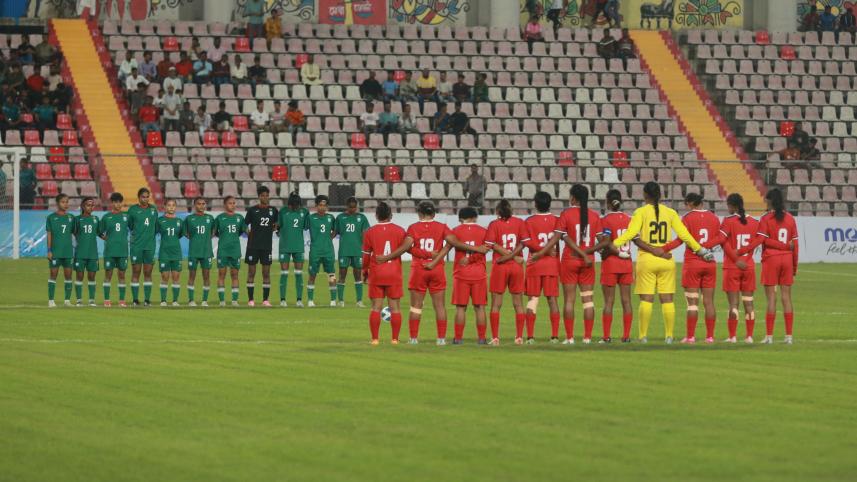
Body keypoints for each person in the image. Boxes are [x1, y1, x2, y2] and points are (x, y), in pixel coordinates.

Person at [609, 182, 713, 343]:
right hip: (666, 259)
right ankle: (669, 336)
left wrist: (614, 244)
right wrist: (701, 250)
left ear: (645, 195)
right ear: (660, 195)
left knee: (646, 299)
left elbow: (631, 233)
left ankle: (643, 336)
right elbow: (685, 235)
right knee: (667, 299)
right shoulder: (670, 212)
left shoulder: (640, 212)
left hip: (647, 260)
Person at [379, 201, 487, 344]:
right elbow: (454, 242)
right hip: (437, 270)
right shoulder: (442, 227)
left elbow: (406, 247)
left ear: (419, 214)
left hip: (419, 270)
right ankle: (441, 339)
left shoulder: (413, 228)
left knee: (416, 306)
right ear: (434, 214)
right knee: (440, 306)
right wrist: (477, 249)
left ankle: (413, 339)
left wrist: (387, 257)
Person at [535, 184, 601, 344]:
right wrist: (587, 253)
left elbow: (558, 237)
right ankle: (587, 337)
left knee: (569, 300)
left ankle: (570, 337)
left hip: (570, 260)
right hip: (588, 262)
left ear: (573, 198)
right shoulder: (594, 216)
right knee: (588, 300)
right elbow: (604, 241)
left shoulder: (566, 214)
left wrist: (541, 252)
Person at [736, 189, 799, 344]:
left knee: (771, 298)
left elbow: (760, 241)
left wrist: (742, 251)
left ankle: (769, 336)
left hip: (771, 259)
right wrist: (794, 266)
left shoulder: (766, 218)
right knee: (786, 297)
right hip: (787, 260)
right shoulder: (790, 218)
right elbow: (795, 245)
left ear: (770, 201)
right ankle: (789, 337)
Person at [660, 193, 721, 344]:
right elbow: (720, 238)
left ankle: (691, 337)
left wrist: (664, 248)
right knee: (709, 302)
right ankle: (710, 337)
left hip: (693, 263)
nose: (685, 207)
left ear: (691, 203)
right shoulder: (714, 218)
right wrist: (706, 248)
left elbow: (681, 239)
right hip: (709, 263)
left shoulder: (687, 218)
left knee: (692, 303)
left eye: (686, 204)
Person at [712, 194, 764, 343]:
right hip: (748, 267)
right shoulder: (754, 222)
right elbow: (759, 241)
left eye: (728, 206)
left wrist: (735, 258)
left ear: (732, 206)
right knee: (749, 302)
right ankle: (749, 336)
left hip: (732, 267)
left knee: (733, 304)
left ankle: (732, 336)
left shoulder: (728, 221)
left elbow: (722, 242)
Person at [592, 189, 634, 343]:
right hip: (626, 263)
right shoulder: (629, 219)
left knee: (609, 301)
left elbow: (606, 242)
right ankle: (626, 336)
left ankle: (606, 337)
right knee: (626, 301)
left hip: (611, 263)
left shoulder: (606, 220)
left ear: (608, 202)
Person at [361, 202, 407, 345]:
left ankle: (375, 339)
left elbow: (366, 256)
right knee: (395, 308)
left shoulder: (370, 232)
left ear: (376, 216)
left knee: (376, 307)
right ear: (391, 215)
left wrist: (364, 271)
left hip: (377, 273)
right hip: (393, 273)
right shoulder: (400, 230)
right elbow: (407, 248)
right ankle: (394, 339)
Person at [485, 199, 528, 345]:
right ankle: (519, 337)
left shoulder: (494, 224)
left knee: (496, 303)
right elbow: (523, 243)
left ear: (497, 211)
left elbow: (491, 244)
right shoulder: (519, 223)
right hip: (516, 266)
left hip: (500, 266)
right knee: (518, 303)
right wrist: (513, 256)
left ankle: (495, 337)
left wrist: (506, 256)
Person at [521, 191, 561, 344]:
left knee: (533, 300)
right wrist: (549, 251)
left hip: (535, 264)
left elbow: (526, 242)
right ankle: (555, 336)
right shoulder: (557, 220)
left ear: (535, 204)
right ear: (549, 204)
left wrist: (539, 251)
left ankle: (530, 337)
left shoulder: (529, 221)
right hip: (551, 265)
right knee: (552, 300)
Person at [448, 207, 490, 344]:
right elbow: (485, 249)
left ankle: (458, 339)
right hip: (479, 273)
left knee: (461, 308)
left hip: (461, 273)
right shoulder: (484, 231)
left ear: (461, 218)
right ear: (475, 217)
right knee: (480, 307)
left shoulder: (455, 231)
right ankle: (482, 338)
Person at [245, 186, 278, 307]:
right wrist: (249, 233)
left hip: (266, 246)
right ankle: (251, 300)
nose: (265, 197)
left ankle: (265, 300)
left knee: (266, 273)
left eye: (267, 195)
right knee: (251, 272)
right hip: (253, 246)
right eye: (263, 195)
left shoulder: (273, 210)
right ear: (259, 197)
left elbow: (276, 224)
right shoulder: (252, 210)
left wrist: (274, 228)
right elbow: (245, 224)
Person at [334, 197, 370, 307]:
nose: (353, 209)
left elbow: (366, 234)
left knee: (358, 275)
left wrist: (366, 249)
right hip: (344, 251)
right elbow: (335, 232)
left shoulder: (362, 218)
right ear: (346, 206)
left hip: (357, 251)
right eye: (350, 207)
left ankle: (359, 301)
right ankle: (340, 301)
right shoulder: (340, 217)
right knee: (342, 275)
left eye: (354, 207)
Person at [127, 187, 158, 306]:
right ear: (139, 198)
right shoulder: (133, 210)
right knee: (136, 271)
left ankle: (147, 300)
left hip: (149, 246)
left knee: (148, 272)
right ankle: (135, 300)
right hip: (137, 246)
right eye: (143, 197)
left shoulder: (153, 210)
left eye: (147, 196)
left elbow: (155, 227)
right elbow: (130, 225)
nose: (145, 199)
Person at [277, 192, 309, 307]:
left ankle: (299, 300)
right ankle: (282, 300)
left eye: (298, 205)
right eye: (294, 205)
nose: (296, 207)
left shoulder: (304, 212)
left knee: (298, 274)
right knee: (284, 273)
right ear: (289, 204)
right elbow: (277, 226)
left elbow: (307, 226)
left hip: (298, 247)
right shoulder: (283, 212)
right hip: (284, 246)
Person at [305, 195, 337, 307]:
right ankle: (310, 300)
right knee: (312, 275)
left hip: (328, 251)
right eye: (320, 205)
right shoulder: (310, 218)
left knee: (331, 275)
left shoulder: (331, 218)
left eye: (324, 205)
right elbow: (303, 228)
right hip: (315, 251)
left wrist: (329, 238)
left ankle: (333, 301)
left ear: (327, 206)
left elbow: (335, 231)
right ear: (316, 206)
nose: (322, 207)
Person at [99, 192, 131, 307]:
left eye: (119, 202)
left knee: (122, 275)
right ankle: (107, 300)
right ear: (112, 203)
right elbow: (99, 232)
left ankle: (122, 301)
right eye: (115, 202)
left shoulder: (126, 216)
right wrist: (107, 239)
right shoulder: (106, 217)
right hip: (110, 251)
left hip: (122, 251)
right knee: (108, 275)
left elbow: (133, 229)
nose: (118, 204)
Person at [214, 196, 246, 307]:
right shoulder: (219, 218)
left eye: (234, 203)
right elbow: (215, 232)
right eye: (230, 203)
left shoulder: (240, 218)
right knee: (221, 274)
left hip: (235, 250)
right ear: (225, 205)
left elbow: (243, 231)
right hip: (223, 250)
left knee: (235, 275)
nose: (233, 205)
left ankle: (234, 301)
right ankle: (222, 301)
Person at [46, 193, 75, 307]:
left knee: (68, 275)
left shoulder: (71, 218)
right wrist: (49, 250)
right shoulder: (51, 218)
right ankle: (51, 300)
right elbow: (49, 234)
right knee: (53, 274)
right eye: (63, 202)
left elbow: (76, 233)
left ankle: (67, 301)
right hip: (55, 251)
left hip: (68, 252)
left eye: (67, 202)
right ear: (58, 203)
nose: (66, 204)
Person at [184, 197, 215, 306]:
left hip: (206, 252)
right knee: (192, 275)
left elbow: (213, 232)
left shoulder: (210, 218)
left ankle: (204, 300)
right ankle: (191, 300)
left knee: (206, 276)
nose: (201, 206)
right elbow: (186, 234)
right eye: (199, 204)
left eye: (203, 204)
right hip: (194, 251)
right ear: (194, 205)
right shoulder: (189, 219)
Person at [156, 199, 184, 306]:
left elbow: (180, 234)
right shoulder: (160, 220)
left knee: (176, 277)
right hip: (164, 252)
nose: (171, 207)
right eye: (169, 205)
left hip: (176, 252)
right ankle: (163, 300)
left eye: (173, 205)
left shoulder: (179, 221)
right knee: (165, 277)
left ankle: (175, 301)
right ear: (165, 207)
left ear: (175, 207)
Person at [73, 197, 100, 306]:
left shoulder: (96, 219)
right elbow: (74, 232)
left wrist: (109, 238)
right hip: (80, 253)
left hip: (93, 253)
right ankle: (79, 300)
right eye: (88, 205)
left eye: (92, 205)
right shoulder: (77, 219)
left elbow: (99, 233)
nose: (91, 207)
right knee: (79, 276)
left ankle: (91, 300)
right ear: (83, 206)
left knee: (92, 276)